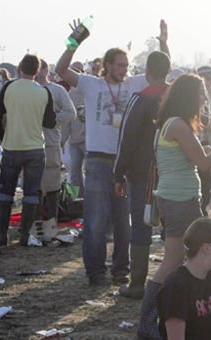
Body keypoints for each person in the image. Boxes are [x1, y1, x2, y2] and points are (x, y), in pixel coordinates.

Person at [56, 18, 170, 286]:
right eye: (119, 65)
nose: (124, 70)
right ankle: (95, 272)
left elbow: (161, 70)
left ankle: (121, 270)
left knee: (123, 222)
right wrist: (74, 42)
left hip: (124, 164)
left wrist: (164, 43)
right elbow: (61, 69)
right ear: (107, 65)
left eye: (126, 66)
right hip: (97, 160)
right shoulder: (90, 84)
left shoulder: (133, 84)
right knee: (95, 221)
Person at [136, 74, 211, 340]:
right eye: (200, 94)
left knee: (181, 261)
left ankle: (172, 316)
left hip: (178, 198)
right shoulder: (178, 125)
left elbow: (193, 158)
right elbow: (203, 163)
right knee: (173, 261)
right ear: (189, 96)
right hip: (180, 200)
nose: (204, 99)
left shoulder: (171, 123)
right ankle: (147, 321)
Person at [112, 51, 171, 299]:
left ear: (147, 72)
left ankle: (138, 284)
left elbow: (127, 139)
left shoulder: (141, 99)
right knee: (174, 227)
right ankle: (173, 282)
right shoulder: (178, 99)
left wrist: (118, 174)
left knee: (141, 224)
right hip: (173, 173)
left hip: (143, 173)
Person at [0, 54, 56, 246]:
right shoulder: (44, 92)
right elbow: (50, 122)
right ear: (37, 71)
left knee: (6, 192)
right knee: (31, 193)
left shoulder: (9, 87)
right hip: (35, 148)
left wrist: (3, 135)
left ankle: (2, 234)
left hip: (12, 146)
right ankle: (25, 235)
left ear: (19, 68)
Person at [34, 60, 76, 229]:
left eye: (41, 69)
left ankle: (51, 221)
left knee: (52, 185)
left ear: (46, 69)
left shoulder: (57, 90)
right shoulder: (28, 90)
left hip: (51, 142)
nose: (38, 72)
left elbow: (71, 113)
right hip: (31, 143)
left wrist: (53, 119)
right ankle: (34, 221)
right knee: (34, 185)